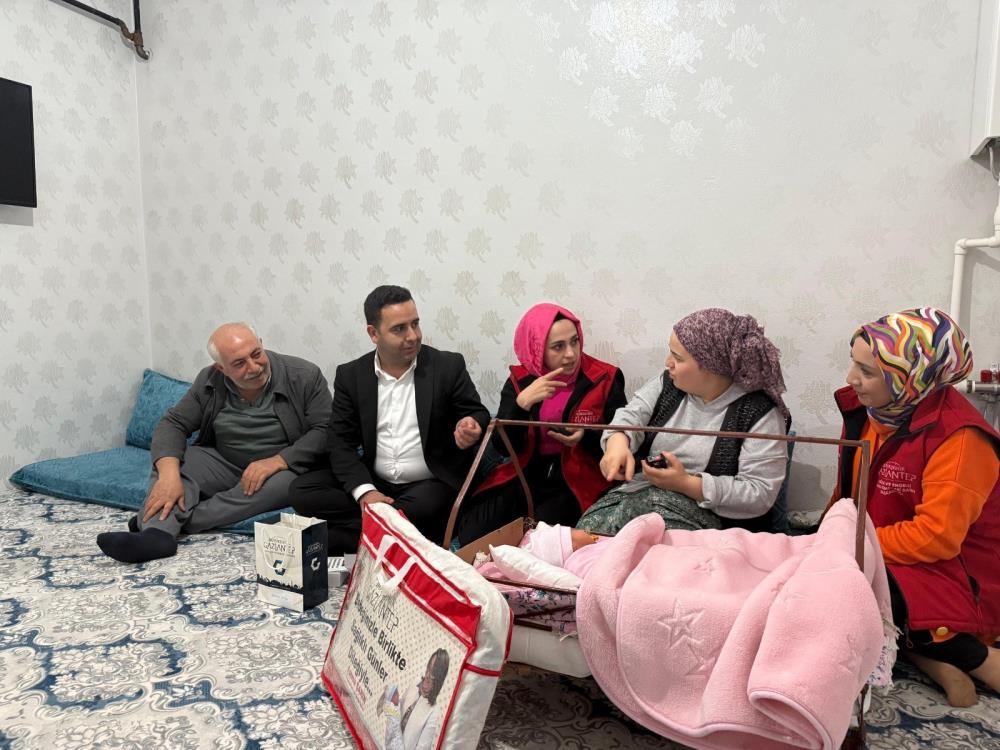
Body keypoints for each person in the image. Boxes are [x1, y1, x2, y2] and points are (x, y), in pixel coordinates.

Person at [833, 306, 1000, 707]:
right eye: (853, 363)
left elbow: (937, 538)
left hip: (956, 578)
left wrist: (847, 547)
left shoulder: (961, 439)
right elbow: (847, 495)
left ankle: (976, 658)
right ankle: (934, 662)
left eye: (867, 371)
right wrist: (829, 536)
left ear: (913, 378)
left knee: (844, 587)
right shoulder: (869, 414)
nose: (851, 378)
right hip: (890, 553)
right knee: (812, 573)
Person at [96, 322, 333, 563]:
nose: (254, 367)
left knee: (284, 487)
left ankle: (160, 524)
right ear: (221, 368)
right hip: (224, 461)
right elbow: (174, 424)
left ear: (261, 344)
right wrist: (169, 476)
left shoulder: (304, 375)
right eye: (239, 364)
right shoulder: (209, 380)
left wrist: (278, 461)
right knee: (177, 463)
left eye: (256, 354)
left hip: (281, 467)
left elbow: (326, 429)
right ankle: (155, 538)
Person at [289, 285, 490, 553]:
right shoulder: (352, 375)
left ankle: (333, 539)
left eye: (415, 324)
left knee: (428, 506)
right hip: (378, 483)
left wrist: (471, 426)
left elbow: (477, 413)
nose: (413, 336)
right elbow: (340, 442)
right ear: (374, 333)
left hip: (430, 484)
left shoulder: (447, 366)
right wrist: (365, 492)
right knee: (301, 491)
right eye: (399, 329)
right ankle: (395, 529)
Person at [580, 307, 789, 535]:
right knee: (585, 537)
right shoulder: (667, 384)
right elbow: (631, 416)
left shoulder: (760, 414)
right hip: (637, 499)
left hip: (709, 525)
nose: (667, 362)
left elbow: (759, 494)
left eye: (677, 358)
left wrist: (687, 484)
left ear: (711, 367)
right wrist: (617, 444)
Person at [455, 303, 626, 545]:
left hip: (577, 478)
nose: (571, 354)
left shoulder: (605, 377)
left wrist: (584, 436)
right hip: (527, 473)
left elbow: (624, 441)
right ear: (537, 350)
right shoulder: (521, 380)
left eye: (575, 341)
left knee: (542, 536)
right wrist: (521, 404)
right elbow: (504, 447)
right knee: (471, 532)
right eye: (558, 346)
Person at [383, 648, 450, 750]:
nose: (427, 676)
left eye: (433, 674)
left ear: (439, 679)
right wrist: (393, 702)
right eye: (428, 669)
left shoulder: (434, 713)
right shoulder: (415, 683)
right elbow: (399, 711)